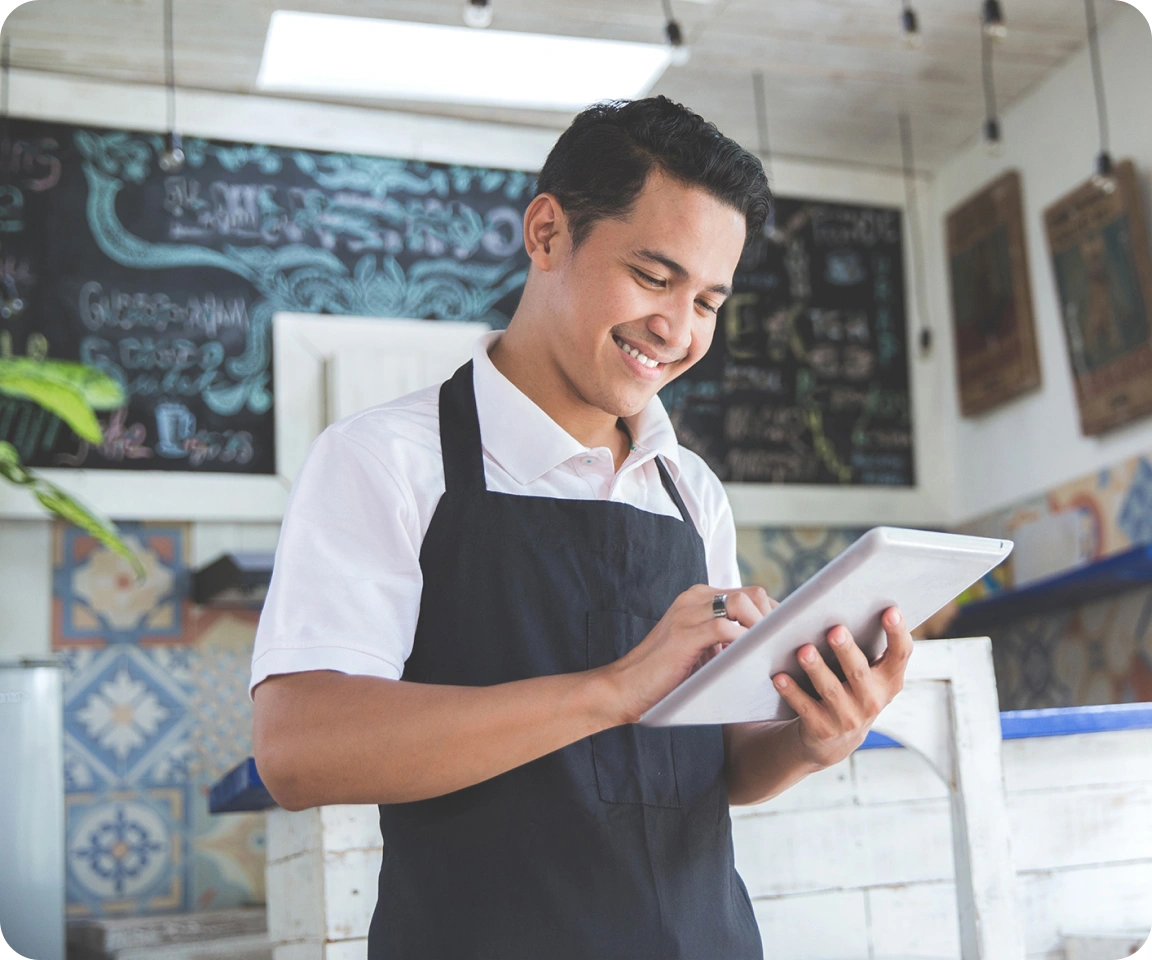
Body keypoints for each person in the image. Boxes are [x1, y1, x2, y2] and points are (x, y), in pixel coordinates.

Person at [250, 96, 914, 960]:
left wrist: (812, 739)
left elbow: (713, 770)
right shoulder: (383, 461)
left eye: (709, 301)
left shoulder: (691, 491)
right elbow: (299, 751)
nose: (677, 331)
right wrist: (610, 690)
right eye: (653, 276)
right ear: (548, 233)